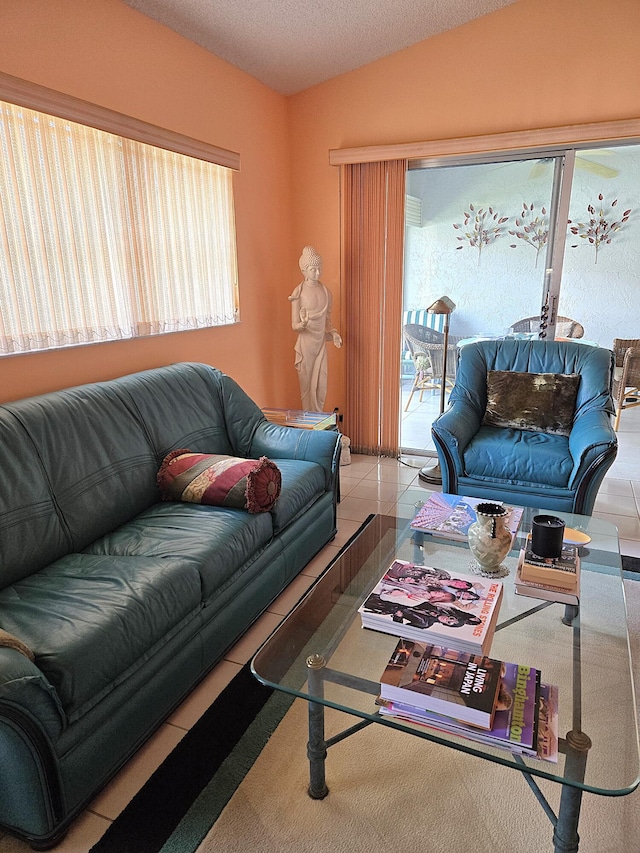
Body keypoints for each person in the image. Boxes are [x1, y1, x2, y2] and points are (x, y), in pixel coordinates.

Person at [289, 246, 342, 411]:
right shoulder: (299, 293)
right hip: (305, 347)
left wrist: (334, 334)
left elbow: (328, 323)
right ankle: (309, 427)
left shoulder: (326, 292)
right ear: (304, 270)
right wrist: (303, 324)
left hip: (320, 346)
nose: (317, 273)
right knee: (306, 390)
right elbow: (295, 326)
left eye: (319, 269)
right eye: (313, 269)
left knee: (321, 387)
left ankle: (318, 423)